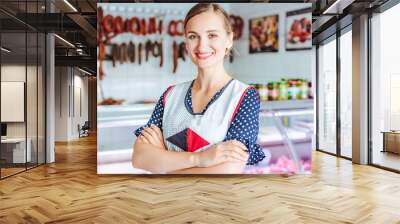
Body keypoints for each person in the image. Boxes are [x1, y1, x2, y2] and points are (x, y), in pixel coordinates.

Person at [132, 3, 265, 174]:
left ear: (229, 39)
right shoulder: (170, 95)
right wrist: (200, 159)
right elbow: (140, 158)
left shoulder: (244, 96)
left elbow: (229, 170)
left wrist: (163, 160)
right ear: (186, 42)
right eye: (193, 36)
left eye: (212, 35)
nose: (202, 46)